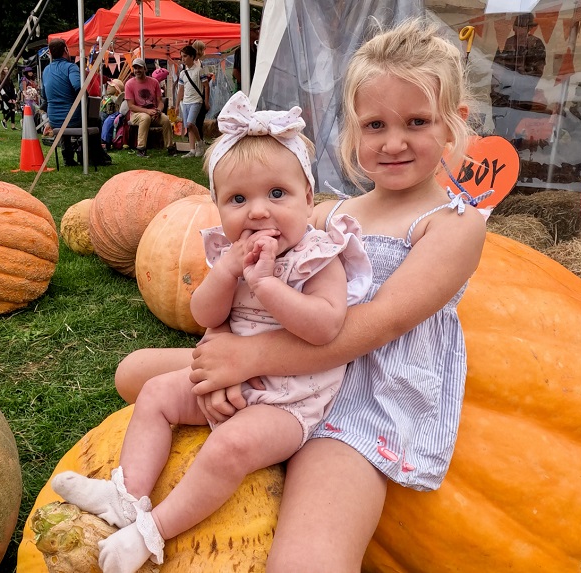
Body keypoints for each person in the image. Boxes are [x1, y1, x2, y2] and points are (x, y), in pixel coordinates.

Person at [112, 17, 487, 571]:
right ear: (353, 130)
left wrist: (245, 359)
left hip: (366, 392)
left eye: (417, 121)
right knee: (133, 371)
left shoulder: (453, 225)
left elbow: (373, 328)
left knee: (307, 561)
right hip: (287, 364)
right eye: (375, 124)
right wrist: (221, 356)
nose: (394, 141)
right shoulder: (325, 211)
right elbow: (246, 292)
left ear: (455, 123)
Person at [52, 92, 371, 573]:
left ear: (309, 199)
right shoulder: (230, 254)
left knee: (230, 447)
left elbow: (326, 327)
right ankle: (129, 494)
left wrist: (266, 286)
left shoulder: (318, 256)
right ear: (218, 207)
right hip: (230, 372)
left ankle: (155, 530)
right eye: (238, 199)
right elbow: (205, 315)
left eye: (277, 194)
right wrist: (225, 274)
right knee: (157, 393)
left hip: (290, 402)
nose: (258, 212)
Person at [41, 38, 110, 167]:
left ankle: (67, 157)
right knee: (96, 119)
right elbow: (79, 87)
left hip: (54, 119)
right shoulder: (70, 67)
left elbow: (44, 95)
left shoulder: (46, 70)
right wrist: (88, 100)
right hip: (73, 118)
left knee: (67, 120)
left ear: (50, 52)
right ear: (66, 50)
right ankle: (95, 157)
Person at [490, 13, 547, 139]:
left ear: (529, 28)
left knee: (516, 126)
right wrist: (496, 93)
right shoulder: (505, 43)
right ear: (514, 28)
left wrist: (521, 86)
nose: (520, 29)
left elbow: (537, 73)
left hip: (523, 96)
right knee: (500, 126)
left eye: (524, 26)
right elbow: (496, 71)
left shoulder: (536, 45)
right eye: (518, 26)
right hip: (503, 95)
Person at [125, 57, 176, 157]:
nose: (137, 70)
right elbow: (131, 106)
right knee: (145, 117)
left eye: (139, 68)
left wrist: (159, 111)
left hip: (153, 113)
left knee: (166, 120)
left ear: (145, 69)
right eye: (135, 68)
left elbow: (160, 102)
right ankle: (141, 149)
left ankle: (170, 147)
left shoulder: (154, 82)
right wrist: (147, 111)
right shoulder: (129, 84)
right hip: (136, 114)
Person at [175, 45, 209, 158]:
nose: (183, 59)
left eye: (185, 56)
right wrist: (176, 105)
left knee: (190, 123)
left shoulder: (199, 70)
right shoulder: (182, 73)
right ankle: (192, 150)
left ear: (192, 57)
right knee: (188, 126)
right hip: (186, 101)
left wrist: (206, 102)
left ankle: (199, 143)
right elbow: (180, 89)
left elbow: (206, 86)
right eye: (182, 57)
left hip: (196, 101)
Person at [232, 22, 260, 92]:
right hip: (245, 89)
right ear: (249, 32)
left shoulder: (256, 49)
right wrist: (246, 86)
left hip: (255, 87)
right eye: (255, 30)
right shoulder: (241, 50)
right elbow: (235, 72)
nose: (258, 32)